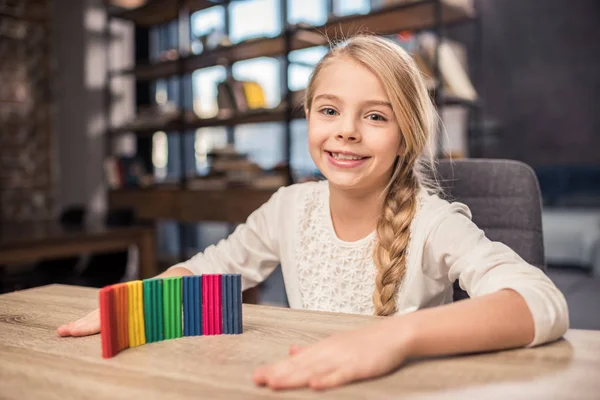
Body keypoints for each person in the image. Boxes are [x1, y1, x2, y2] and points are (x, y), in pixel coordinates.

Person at [57, 34, 569, 391]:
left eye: (374, 116)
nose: (346, 130)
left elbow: (542, 302)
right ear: (308, 117)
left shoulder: (434, 223)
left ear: (407, 134)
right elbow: (212, 268)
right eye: (329, 110)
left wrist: (397, 337)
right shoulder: (288, 208)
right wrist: (135, 304)